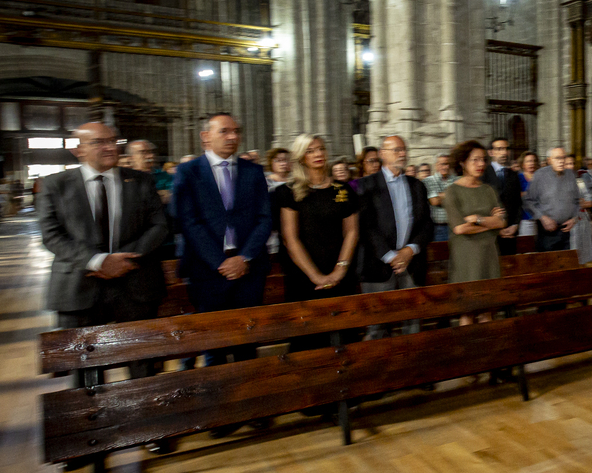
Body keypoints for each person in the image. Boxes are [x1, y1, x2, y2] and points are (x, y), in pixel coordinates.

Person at [36, 122, 168, 380]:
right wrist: (97, 262)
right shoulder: (56, 185)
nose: (110, 147)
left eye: (113, 140)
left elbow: (159, 226)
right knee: (86, 370)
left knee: (142, 365)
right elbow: (51, 235)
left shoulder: (140, 181)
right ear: (78, 150)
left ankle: (144, 416)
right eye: (99, 142)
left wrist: (125, 260)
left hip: (136, 284)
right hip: (79, 286)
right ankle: (92, 417)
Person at [174, 113, 273, 373]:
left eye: (236, 131)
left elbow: (265, 218)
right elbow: (188, 222)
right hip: (206, 270)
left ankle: (251, 404)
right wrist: (220, 262)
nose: (233, 137)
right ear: (205, 136)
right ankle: (218, 403)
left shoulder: (252, 171)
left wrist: (245, 258)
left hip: (249, 270)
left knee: (247, 340)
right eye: (225, 131)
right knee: (213, 342)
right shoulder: (189, 171)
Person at [273, 134, 359, 346]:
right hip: (304, 274)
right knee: (309, 340)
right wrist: (316, 276)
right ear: (301, 157)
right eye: (310, 151)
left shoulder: (343, 189)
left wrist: (340, 269)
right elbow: (290, 239)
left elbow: (352, 232)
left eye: (320, 149)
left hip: (341, 270)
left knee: (345, 337)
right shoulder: (288, 191)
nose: (318, 154)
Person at [356, 135, 433, 339]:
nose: (403, 154)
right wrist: (391, 256)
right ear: (382, 154)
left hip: (412, 264)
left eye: (404, 149)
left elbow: (426, 223)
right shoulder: (365, 185)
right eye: (397, 150)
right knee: (377, 327)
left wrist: (410, 250)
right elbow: (365, 227)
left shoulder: (417, 185)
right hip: (377, 265)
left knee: (413, 322)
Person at [444, 141, 507, 324]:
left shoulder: (488, 190)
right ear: (462, 162)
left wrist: (478, 219)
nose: (480, 164)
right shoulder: (452, 191)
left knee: (488, 310)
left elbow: (502, 221)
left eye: (483, 160)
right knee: (467, 311)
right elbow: (460, 228)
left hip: (489, 253)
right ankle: (469, 351)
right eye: (475, 160)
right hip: (466, 256)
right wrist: (491, 222)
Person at [523, 146, 580, 252]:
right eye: (557, 158)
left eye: (563, 158)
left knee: (565, 263)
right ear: (549, 160)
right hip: (546, 230)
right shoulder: (540, 175)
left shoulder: (570, 175)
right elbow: (528, 200)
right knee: (547, 264)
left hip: (566, 230)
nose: (561, 161)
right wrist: (542, 217)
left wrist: (574, 218)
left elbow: (577, 200)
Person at [483, 137, 523, 254]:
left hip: (510, 232)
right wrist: (496, 228)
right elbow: (482, 204)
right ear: (491, 152)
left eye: (506, 149)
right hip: (490, 233)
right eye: (499, 149)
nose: (504, 153)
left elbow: (517, 203)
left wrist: (515, 225)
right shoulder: (484, 174)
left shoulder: (513, 175)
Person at [424, 153, 457, 242]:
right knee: (440, 254)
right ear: (436, 165)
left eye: (448, 164)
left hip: (456, 226)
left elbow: (462, 199)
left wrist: (442, 195)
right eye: (443, 164)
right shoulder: (428, 181)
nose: (446, 167)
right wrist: (453, 196)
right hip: (438, 228)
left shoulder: (456, 180)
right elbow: (435, 201)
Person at [517, 151, 539, 236]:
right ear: (523, 164)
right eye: (528, 161)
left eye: (533, 161)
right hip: (526, 218)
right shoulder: (519, 178)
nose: (531, 163)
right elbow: (516, 196)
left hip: (542, 218)